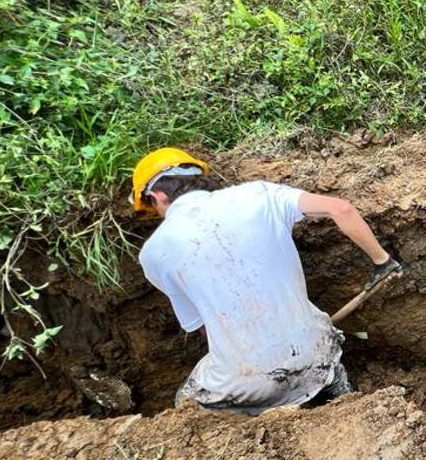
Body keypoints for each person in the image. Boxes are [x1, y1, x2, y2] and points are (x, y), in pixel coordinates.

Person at [130, 147, 403, 414]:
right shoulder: (259, 194)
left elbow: (203, 328)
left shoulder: (153, 254)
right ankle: (337, 389)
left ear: (157, 195)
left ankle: (259, 430)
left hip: (248, 384)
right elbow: (341, 209)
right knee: (323, 354)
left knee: (188, 405)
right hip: (317, 354)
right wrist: (382, 261)